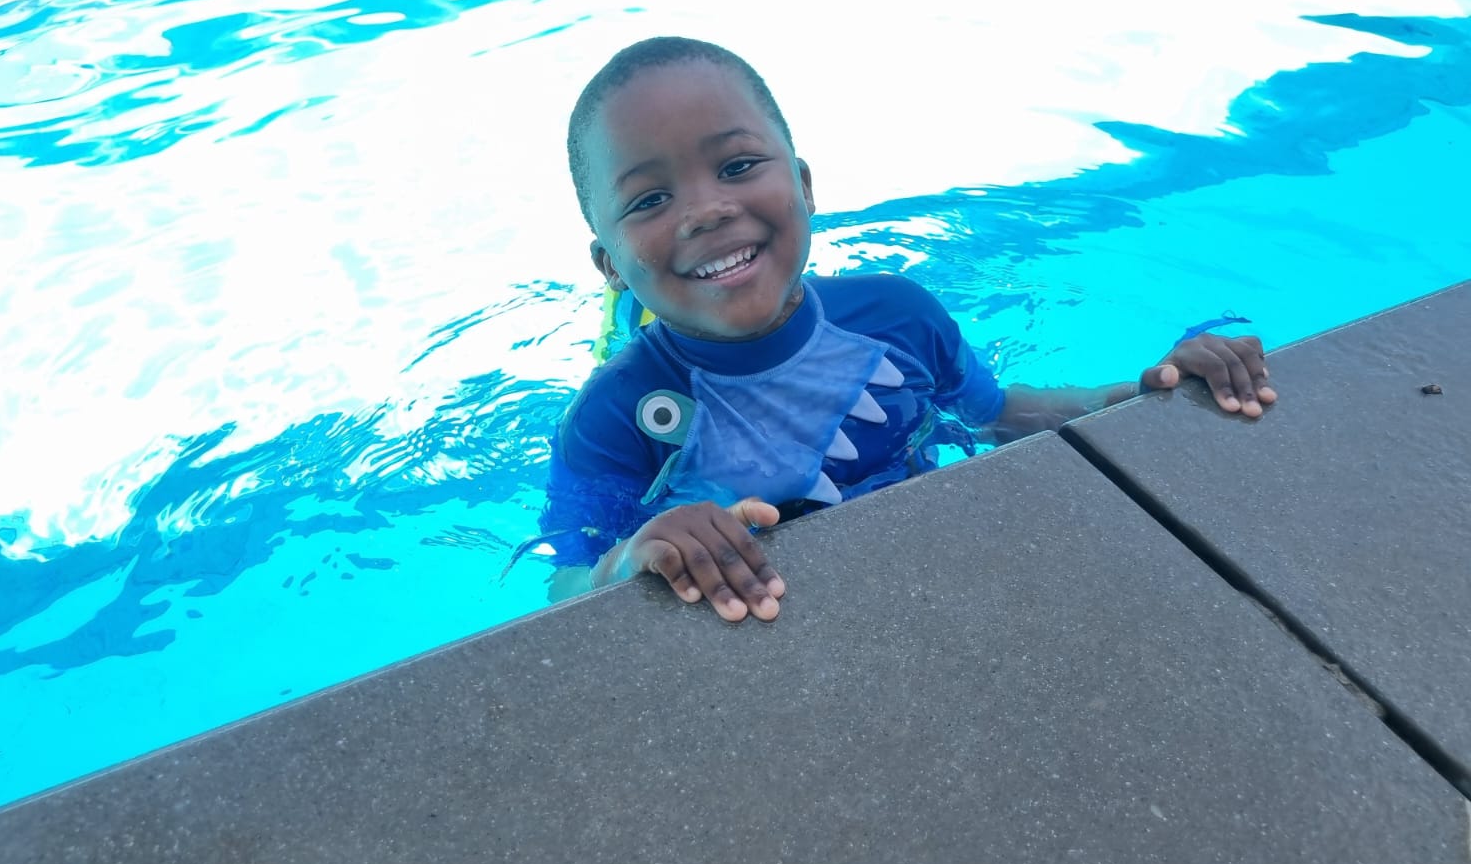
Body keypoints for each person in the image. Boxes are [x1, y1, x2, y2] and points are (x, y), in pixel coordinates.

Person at [538, 36, 1275, 622]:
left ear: (805, 186)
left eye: (737, 166)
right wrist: (630, 559)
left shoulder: (897, 317)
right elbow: (563, 588)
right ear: (611, 264)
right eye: (650, 200)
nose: (706, 210)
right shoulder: (609, 417)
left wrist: (1148, 392)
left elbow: (1000, 416)